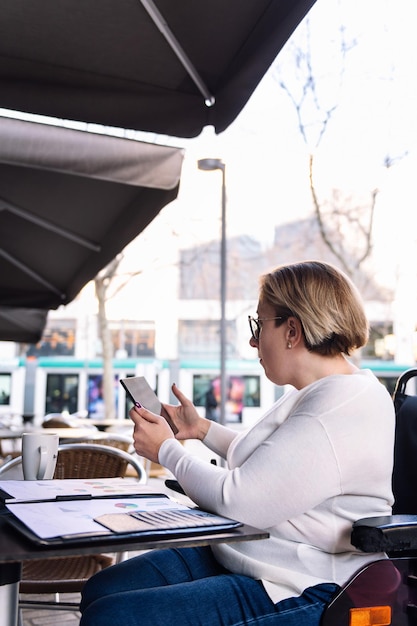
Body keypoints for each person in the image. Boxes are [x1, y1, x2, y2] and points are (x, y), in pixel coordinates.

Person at [80, 260, 395, 626]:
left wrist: (166, 450)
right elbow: (276, 464)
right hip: (253, 553)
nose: (253, 340)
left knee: (112, 616)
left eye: (259, 325)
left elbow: (241, 501)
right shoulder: (325, 392)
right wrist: (200, 429)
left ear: (292, 331)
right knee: (102, 588)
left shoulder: (339, 405)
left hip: (306, 581)